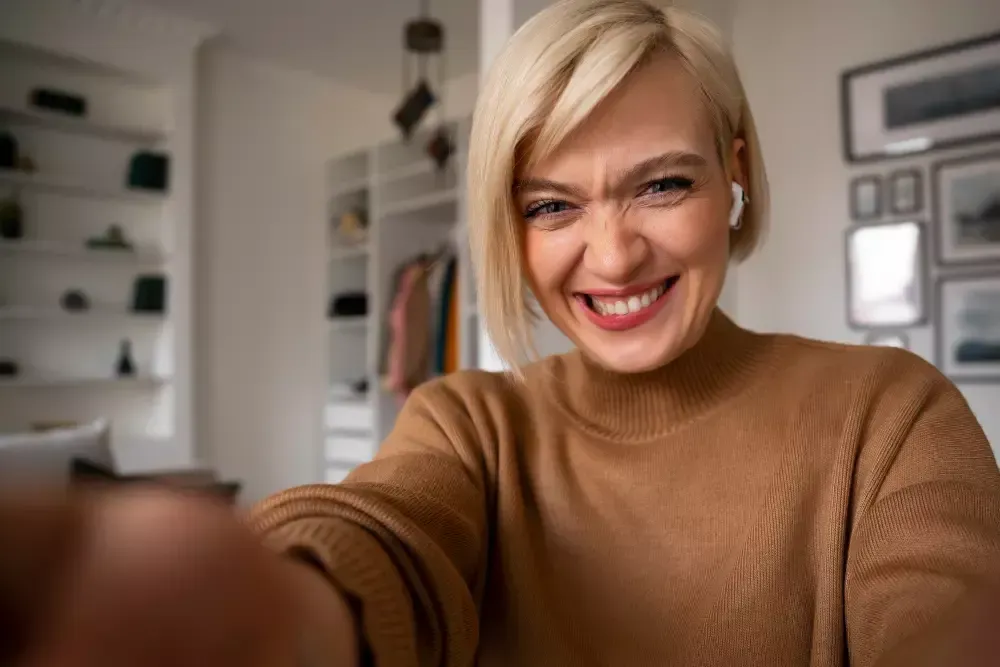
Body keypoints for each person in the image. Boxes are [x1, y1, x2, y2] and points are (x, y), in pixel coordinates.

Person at [3, 1, 1000, 665]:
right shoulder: (469, 424)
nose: (612, 256)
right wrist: (283, 607)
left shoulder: (889, 414)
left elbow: (948, 619)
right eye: (551, 205)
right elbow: (385, 532)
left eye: (661, 183)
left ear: (732, 173)